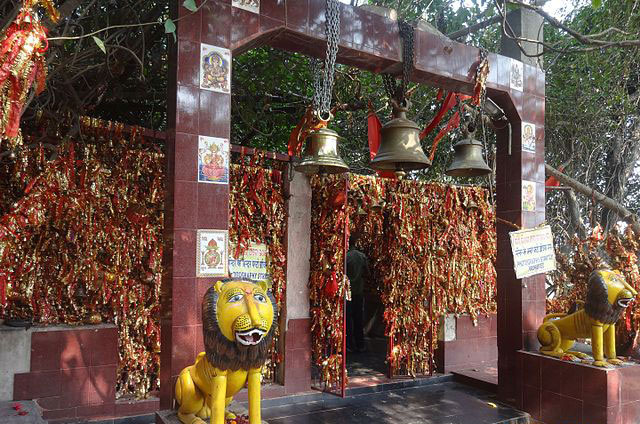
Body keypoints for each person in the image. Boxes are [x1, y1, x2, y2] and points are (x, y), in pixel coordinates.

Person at [346, 233, 370, 353]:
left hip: (348, 291)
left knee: (348, 319)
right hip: (359, 291)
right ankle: (360, 344)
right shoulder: (362, 256)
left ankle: (349, 344)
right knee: (358, 318)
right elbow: (367, 272)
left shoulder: (346, 257)